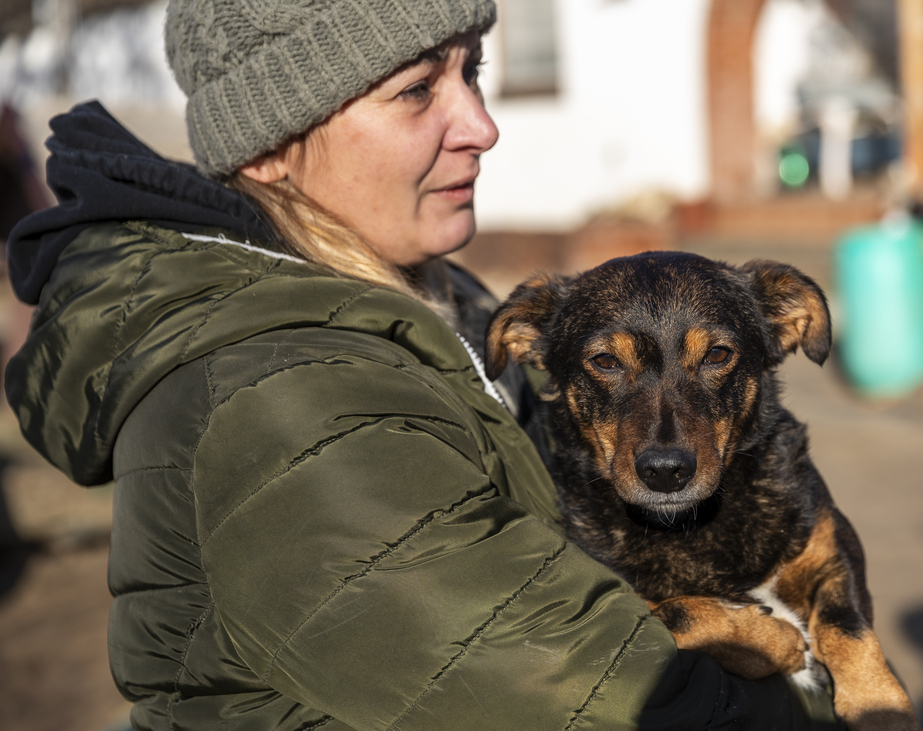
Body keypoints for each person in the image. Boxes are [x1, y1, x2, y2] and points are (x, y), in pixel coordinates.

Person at [4, 1, 843, 729]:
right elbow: (595, 693)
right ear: (268, 148)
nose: (481, 124)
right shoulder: (283, 393)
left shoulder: (442, 308)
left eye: (470, 72)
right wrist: (832, 697)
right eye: (415, 91)